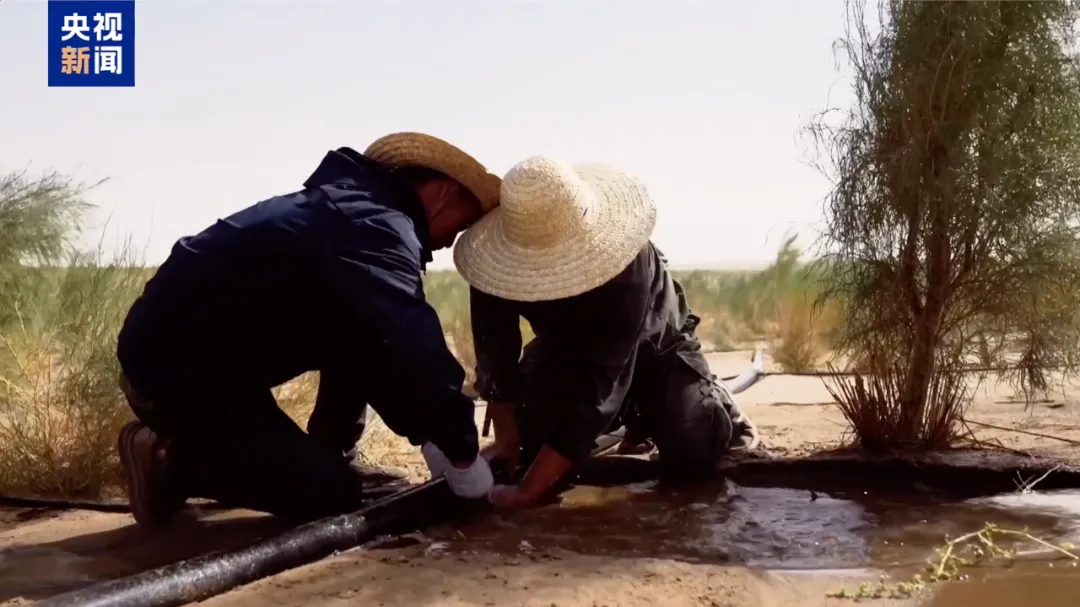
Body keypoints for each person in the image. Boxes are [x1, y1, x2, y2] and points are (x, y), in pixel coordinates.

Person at [115, 132, 501, 527]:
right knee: (330, 495)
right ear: (444, 193)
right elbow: (413, 347)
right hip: (173, 375)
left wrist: (434, 436)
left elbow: (370, 344)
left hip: (213, 363)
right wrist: (462, 453)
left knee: (358, 323)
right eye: (464, 221)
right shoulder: (371, 226)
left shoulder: (357, 214)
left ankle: (332, 453)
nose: (456, 236)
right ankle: (166, 457)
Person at [452, 156, 761, 510]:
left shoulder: (626, 264)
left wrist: (528, 493)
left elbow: (596, 389)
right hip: (565, 350)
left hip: (655, 347)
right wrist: (508, 441)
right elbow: (497, 357)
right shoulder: (494, 262)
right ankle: (632, 418)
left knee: (693, 455)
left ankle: (711, 404)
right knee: (528, 454)